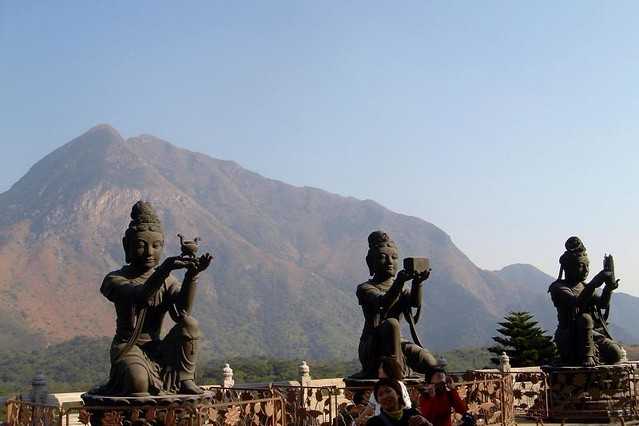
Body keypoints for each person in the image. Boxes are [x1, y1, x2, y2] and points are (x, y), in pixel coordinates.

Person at [96, 201, 213, 396]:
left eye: (156, 246)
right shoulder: (115, 279)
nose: (150, 252)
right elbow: (140, 296)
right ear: (127, 246)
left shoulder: (168, 281)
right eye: (141, 245)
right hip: (129, 347)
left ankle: (185, 378)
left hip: (158, 348)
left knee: (190, 324)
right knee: (138, 383)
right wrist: (163, 270)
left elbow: (182, 313)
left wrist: (192, 275)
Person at [354, 231, 438, 379]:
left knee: (431, 364)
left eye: (394, 257)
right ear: (370, 262)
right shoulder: (365, 288)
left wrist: (417, 283)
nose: (389, 262)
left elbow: (414, 304)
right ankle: (397, 376)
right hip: (374, 345)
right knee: (391, 324)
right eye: (382, 257)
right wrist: (399, 282)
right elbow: (382, 304)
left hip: (398, 343)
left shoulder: (400, 288)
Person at [548, 236, 623, 366]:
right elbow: (576, 302)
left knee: (615, 353)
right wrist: (593, 284)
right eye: (581, 266)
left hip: (590, 334)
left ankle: (593, 355)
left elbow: (602, 304)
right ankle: (587, 356)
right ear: (568, 268)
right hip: (569, 335)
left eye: (587, 266)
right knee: (584, 318)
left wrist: (608, 288)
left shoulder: (583, 286)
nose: (586, 270)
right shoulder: (558, 287)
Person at [366, 379, 431, 426]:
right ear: (378, 401)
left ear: (398, 394)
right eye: (380, 394)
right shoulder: (373, 423)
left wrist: (426, 423)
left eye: (388, 391)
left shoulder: (413, 414)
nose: (385, 396)